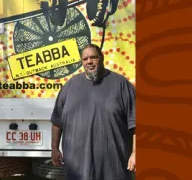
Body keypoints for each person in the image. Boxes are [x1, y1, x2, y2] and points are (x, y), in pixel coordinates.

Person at [50, 44, 136, 180]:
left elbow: (135, 122)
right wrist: (54, 149)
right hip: (77, 169)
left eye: (93, 57)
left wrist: (136, 152)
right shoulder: (70, 85)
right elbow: (57, 122)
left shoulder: (121, 84)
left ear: (101, 58)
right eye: (85, 59)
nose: (89, 61)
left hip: (113, 168)